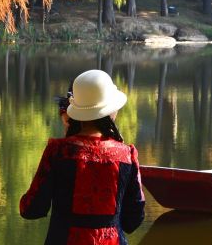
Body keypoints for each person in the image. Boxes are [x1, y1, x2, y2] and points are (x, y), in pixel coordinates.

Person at [21, 69, 145, 244]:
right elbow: (134, 218)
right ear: (112, 111)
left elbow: (31, 208)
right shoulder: (127, 155)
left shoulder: (58, 151)